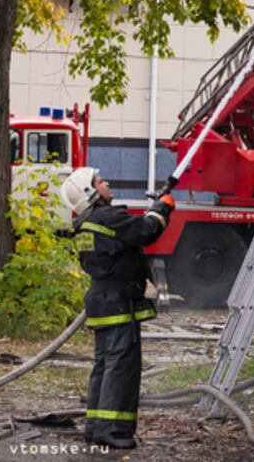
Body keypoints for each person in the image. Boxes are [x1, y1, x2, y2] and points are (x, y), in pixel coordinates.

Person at [60, 166, 174, 450]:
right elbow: (147, 230)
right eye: (100, 181)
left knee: (104, 365)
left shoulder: (85, 223)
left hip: (101, 300)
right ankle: (113, 431)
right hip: (119, 302)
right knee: (121, 367)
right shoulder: (111, 217)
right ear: (91, 193)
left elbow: (126, 237)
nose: (106, 182)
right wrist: (163, 207)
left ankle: (96, 427)